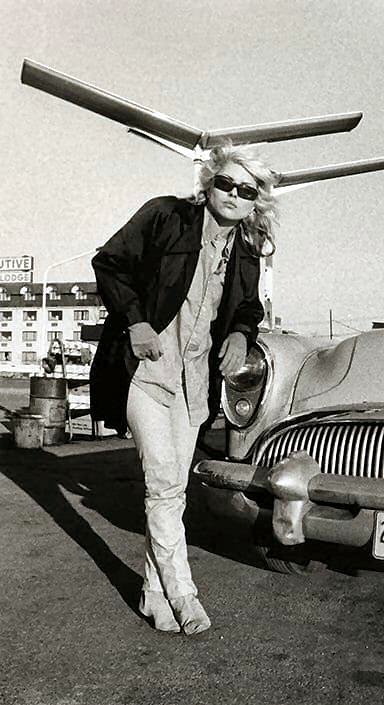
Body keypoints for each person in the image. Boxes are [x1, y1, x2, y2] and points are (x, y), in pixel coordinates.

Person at [89, 143, 278, 634]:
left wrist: (241, 333)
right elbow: (109, 262)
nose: (234, 195)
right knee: (163, 482)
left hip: (195, 382)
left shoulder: (246, 251)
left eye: (247, 190)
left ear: (257, 200)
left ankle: (154, 594)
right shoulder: (165, 216)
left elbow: (247, 308)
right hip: (146, 371)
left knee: (174, 490)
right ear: (208, 182)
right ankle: (183, 591)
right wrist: (135, 322)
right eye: (227, 183)